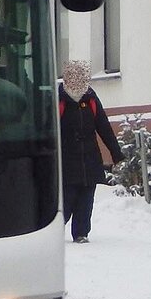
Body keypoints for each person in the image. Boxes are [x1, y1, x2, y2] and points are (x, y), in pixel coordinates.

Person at [58, 59, 124, 243]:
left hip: (89, 157)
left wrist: (115, 152)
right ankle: (55, 231)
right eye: (75, 76)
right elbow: (50, 129)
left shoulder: (91, 99)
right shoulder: (59, 100)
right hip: (67, 158)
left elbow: (103, 127)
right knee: (67, 198)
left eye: (82, 76)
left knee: (87, 197)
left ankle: (81, 233)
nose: (79, 80)